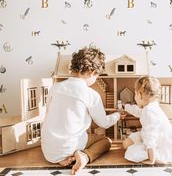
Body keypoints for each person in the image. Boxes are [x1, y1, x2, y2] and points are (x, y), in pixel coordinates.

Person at [41, 46, 121, 175]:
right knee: (105, 141)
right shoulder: (91, 94)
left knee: (71, 137)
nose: (95, 79)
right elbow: (104, 123)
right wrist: (117, 115)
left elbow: (49, 114)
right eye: (96, 75)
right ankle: (84, 156)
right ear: (91, 72)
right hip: (69, 146)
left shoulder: (55, 87)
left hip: (48, 151)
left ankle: (62, 159)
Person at [122, 76, 172, 164]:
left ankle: (155, 156)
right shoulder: (150, 105)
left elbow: (150, 136)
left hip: (158, 142)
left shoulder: (149, 111)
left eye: (135, 94)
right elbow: (139, 112)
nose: (134, 97)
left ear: (139, 95)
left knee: (131, 153)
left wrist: (152, 159)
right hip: (154, 135)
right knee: (126, 144)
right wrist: (125, 107)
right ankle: (150, 152)